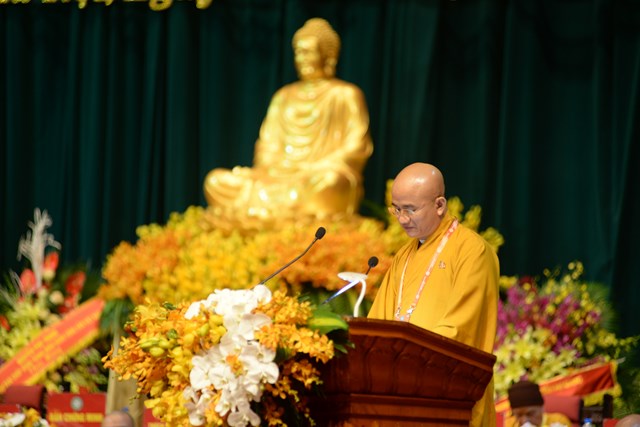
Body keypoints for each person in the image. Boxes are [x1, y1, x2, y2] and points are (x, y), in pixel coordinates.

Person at [204, 17, 373, 231]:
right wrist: (271, 169)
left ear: (326, 55)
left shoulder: (345, 94)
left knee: (330, 181)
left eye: (308, 52)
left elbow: (357, 147)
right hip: (277, 176)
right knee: (216, 182)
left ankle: (273, 213)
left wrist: (311, 168)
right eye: (298, 52)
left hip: (315, 177)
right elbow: (267, 146)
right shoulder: (283, 96)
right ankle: (281, 211)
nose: (301, 59)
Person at [367, 162, 499, 427]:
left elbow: (462, 330)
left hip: (447, 395)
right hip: (397, 391)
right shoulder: (403, 256)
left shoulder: (472, 251)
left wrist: (407, 359)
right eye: (396, 209)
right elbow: (377, 323)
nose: (402, 219)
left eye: (410, 210)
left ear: (439, 205)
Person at [505, 380, 572, 427]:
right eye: (519, 415)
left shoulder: (558, 421)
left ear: (542, 407)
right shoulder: (509, 424)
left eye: (530, 414)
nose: (524, 421)